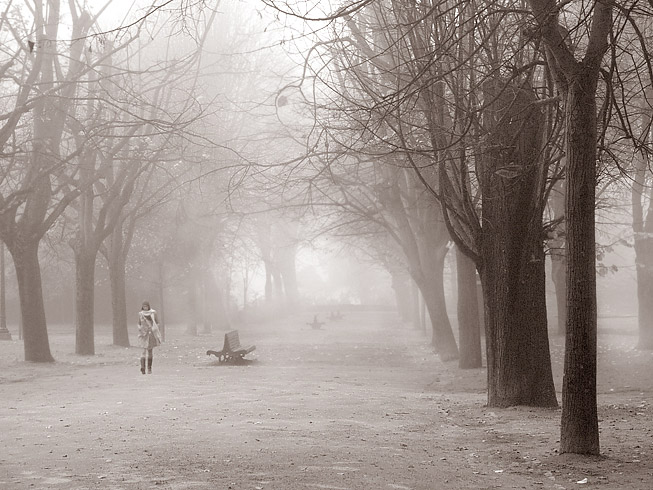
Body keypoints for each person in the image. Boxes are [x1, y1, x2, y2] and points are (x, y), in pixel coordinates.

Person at [137, 301, 162, 374]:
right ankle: (143, 367)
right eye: (144, 306)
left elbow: (157, 323)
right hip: (143, 334)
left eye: (146, 306)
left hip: (151, 334)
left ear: (148, 306)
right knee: (143, 351)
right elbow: (139, 323)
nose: (145, 308)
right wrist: (140, 328)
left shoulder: (153, 313)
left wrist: (155, 328)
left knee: (150, 351)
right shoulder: (140, 314)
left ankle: (149, 368)